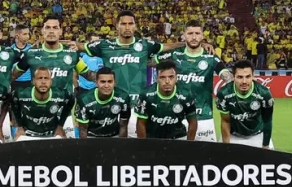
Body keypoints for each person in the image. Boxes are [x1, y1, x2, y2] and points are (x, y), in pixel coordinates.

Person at [74, 11, 210, 138]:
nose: (127, 27)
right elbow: (76, 45)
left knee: (139, 154)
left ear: (135, 26)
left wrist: (197, 44)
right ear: (117, 26)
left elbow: (167, 47)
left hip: (139, 108)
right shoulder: (103, 45)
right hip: (114, 109)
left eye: (130, 23)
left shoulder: (145, 45)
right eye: (123, 24)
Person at [12, 14, 94, 138]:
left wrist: (112, 75)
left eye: (55, 28)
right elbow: (12, 76)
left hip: (64, 113)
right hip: (35, 112)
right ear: (42, 31)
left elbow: (89, 75)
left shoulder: (71, 54)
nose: (51, 31)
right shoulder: (32, 54)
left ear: (60, 31)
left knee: (64, 154)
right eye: (48, 27)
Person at [156, 19, 231, 142]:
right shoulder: (173, 55)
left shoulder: (210, 56)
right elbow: (147, 60)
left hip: (204, 119)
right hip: (177, 117)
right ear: (184, 35)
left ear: (202, 35)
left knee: (206, 159)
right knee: (177, 159)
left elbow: (226, 75)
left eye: (197, 33)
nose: (194, 37)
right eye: (190, 34)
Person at [216, 59, 275, 149]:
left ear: (253, 76)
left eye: (248, 77)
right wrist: (226, 147)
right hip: (233, 136)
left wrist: (265, 145)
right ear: (233, 77)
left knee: (269, 161)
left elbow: (267, 121)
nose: (244, 81)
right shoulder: (224, 93)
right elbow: (225, 121)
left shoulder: (264, 93)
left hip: (258, 135)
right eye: (240, 77)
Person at [134, 60, 197, 140]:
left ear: (176, 78)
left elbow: (192, 122)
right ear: (156, 79)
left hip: (179, 138)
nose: (167, 81)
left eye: (171, 77)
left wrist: (189, 144)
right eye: (162, 77)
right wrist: (144, 146)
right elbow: (141, 123)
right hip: (153, 139)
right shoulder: (146, 95)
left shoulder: (186, 95)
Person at [12, 67, 74, 141]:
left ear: (51, 81)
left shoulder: (61, 94)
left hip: (52, 134)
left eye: (46, 78)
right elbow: (13, 104)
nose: (43, 82)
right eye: (40, 78)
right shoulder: (21, 94)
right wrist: (19, 126)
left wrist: (60, 125)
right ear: (33, 81)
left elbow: (71, 101)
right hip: (27, 134)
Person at [76, 67, 130, 138]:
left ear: (115, 82)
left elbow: (123, 126)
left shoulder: (123, 97)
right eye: (103, 82)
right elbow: (83, 130)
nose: (106, 86)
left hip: (114, 136)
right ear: (96, 83)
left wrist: (122, 146)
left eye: (110, 81)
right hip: (92, 137)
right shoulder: (84, 100)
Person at [9, 24, 32, 138]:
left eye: (28, 33)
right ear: (17, 35)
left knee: (30, 111)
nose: (28, 36)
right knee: (15, 113)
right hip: (15, 84)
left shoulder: (32, 49)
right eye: (25, 34)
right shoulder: (9, 51)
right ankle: (15, 137)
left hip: (29, 83)